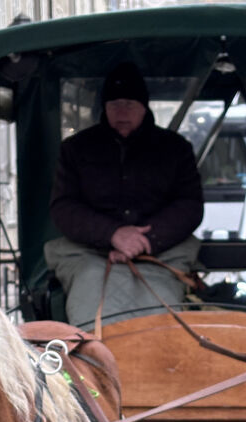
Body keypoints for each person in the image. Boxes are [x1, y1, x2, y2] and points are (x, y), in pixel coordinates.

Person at [45, 61, 204, 329]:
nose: (121, 111)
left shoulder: (175, 149)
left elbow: (189, 205)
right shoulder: (75, 149)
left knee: (161, 318)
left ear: (144, 107)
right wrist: (113, 235)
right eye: (114, 104)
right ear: (104, 108)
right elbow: (64, 206)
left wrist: (145, 241)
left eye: (129, 103)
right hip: (90, 253)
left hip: (161, 253)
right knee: (91, 311)